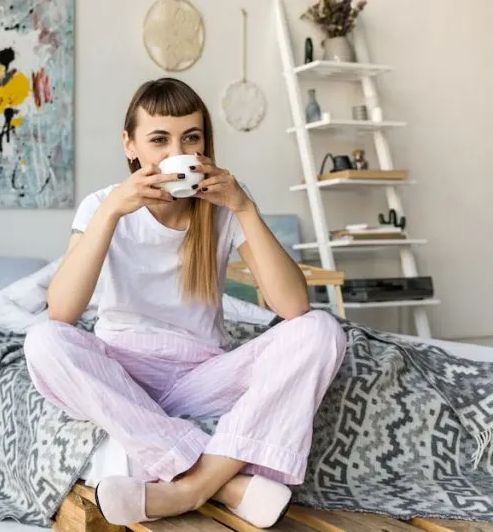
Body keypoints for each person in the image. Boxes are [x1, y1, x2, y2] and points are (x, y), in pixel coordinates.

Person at [23, 78, 346, 528]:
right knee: (42, 340)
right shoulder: (101, 205)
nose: (178, 152)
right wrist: (113, 211)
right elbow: (62, 312)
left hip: (201, 377)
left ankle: (188, 490)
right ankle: (227, 483)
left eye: (190, 138)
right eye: (159, 140)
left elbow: (293, 307)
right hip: (122, 374)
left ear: (205, 145)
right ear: (130, 145)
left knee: (321, 330)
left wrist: (245, 209)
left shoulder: (224, 206)